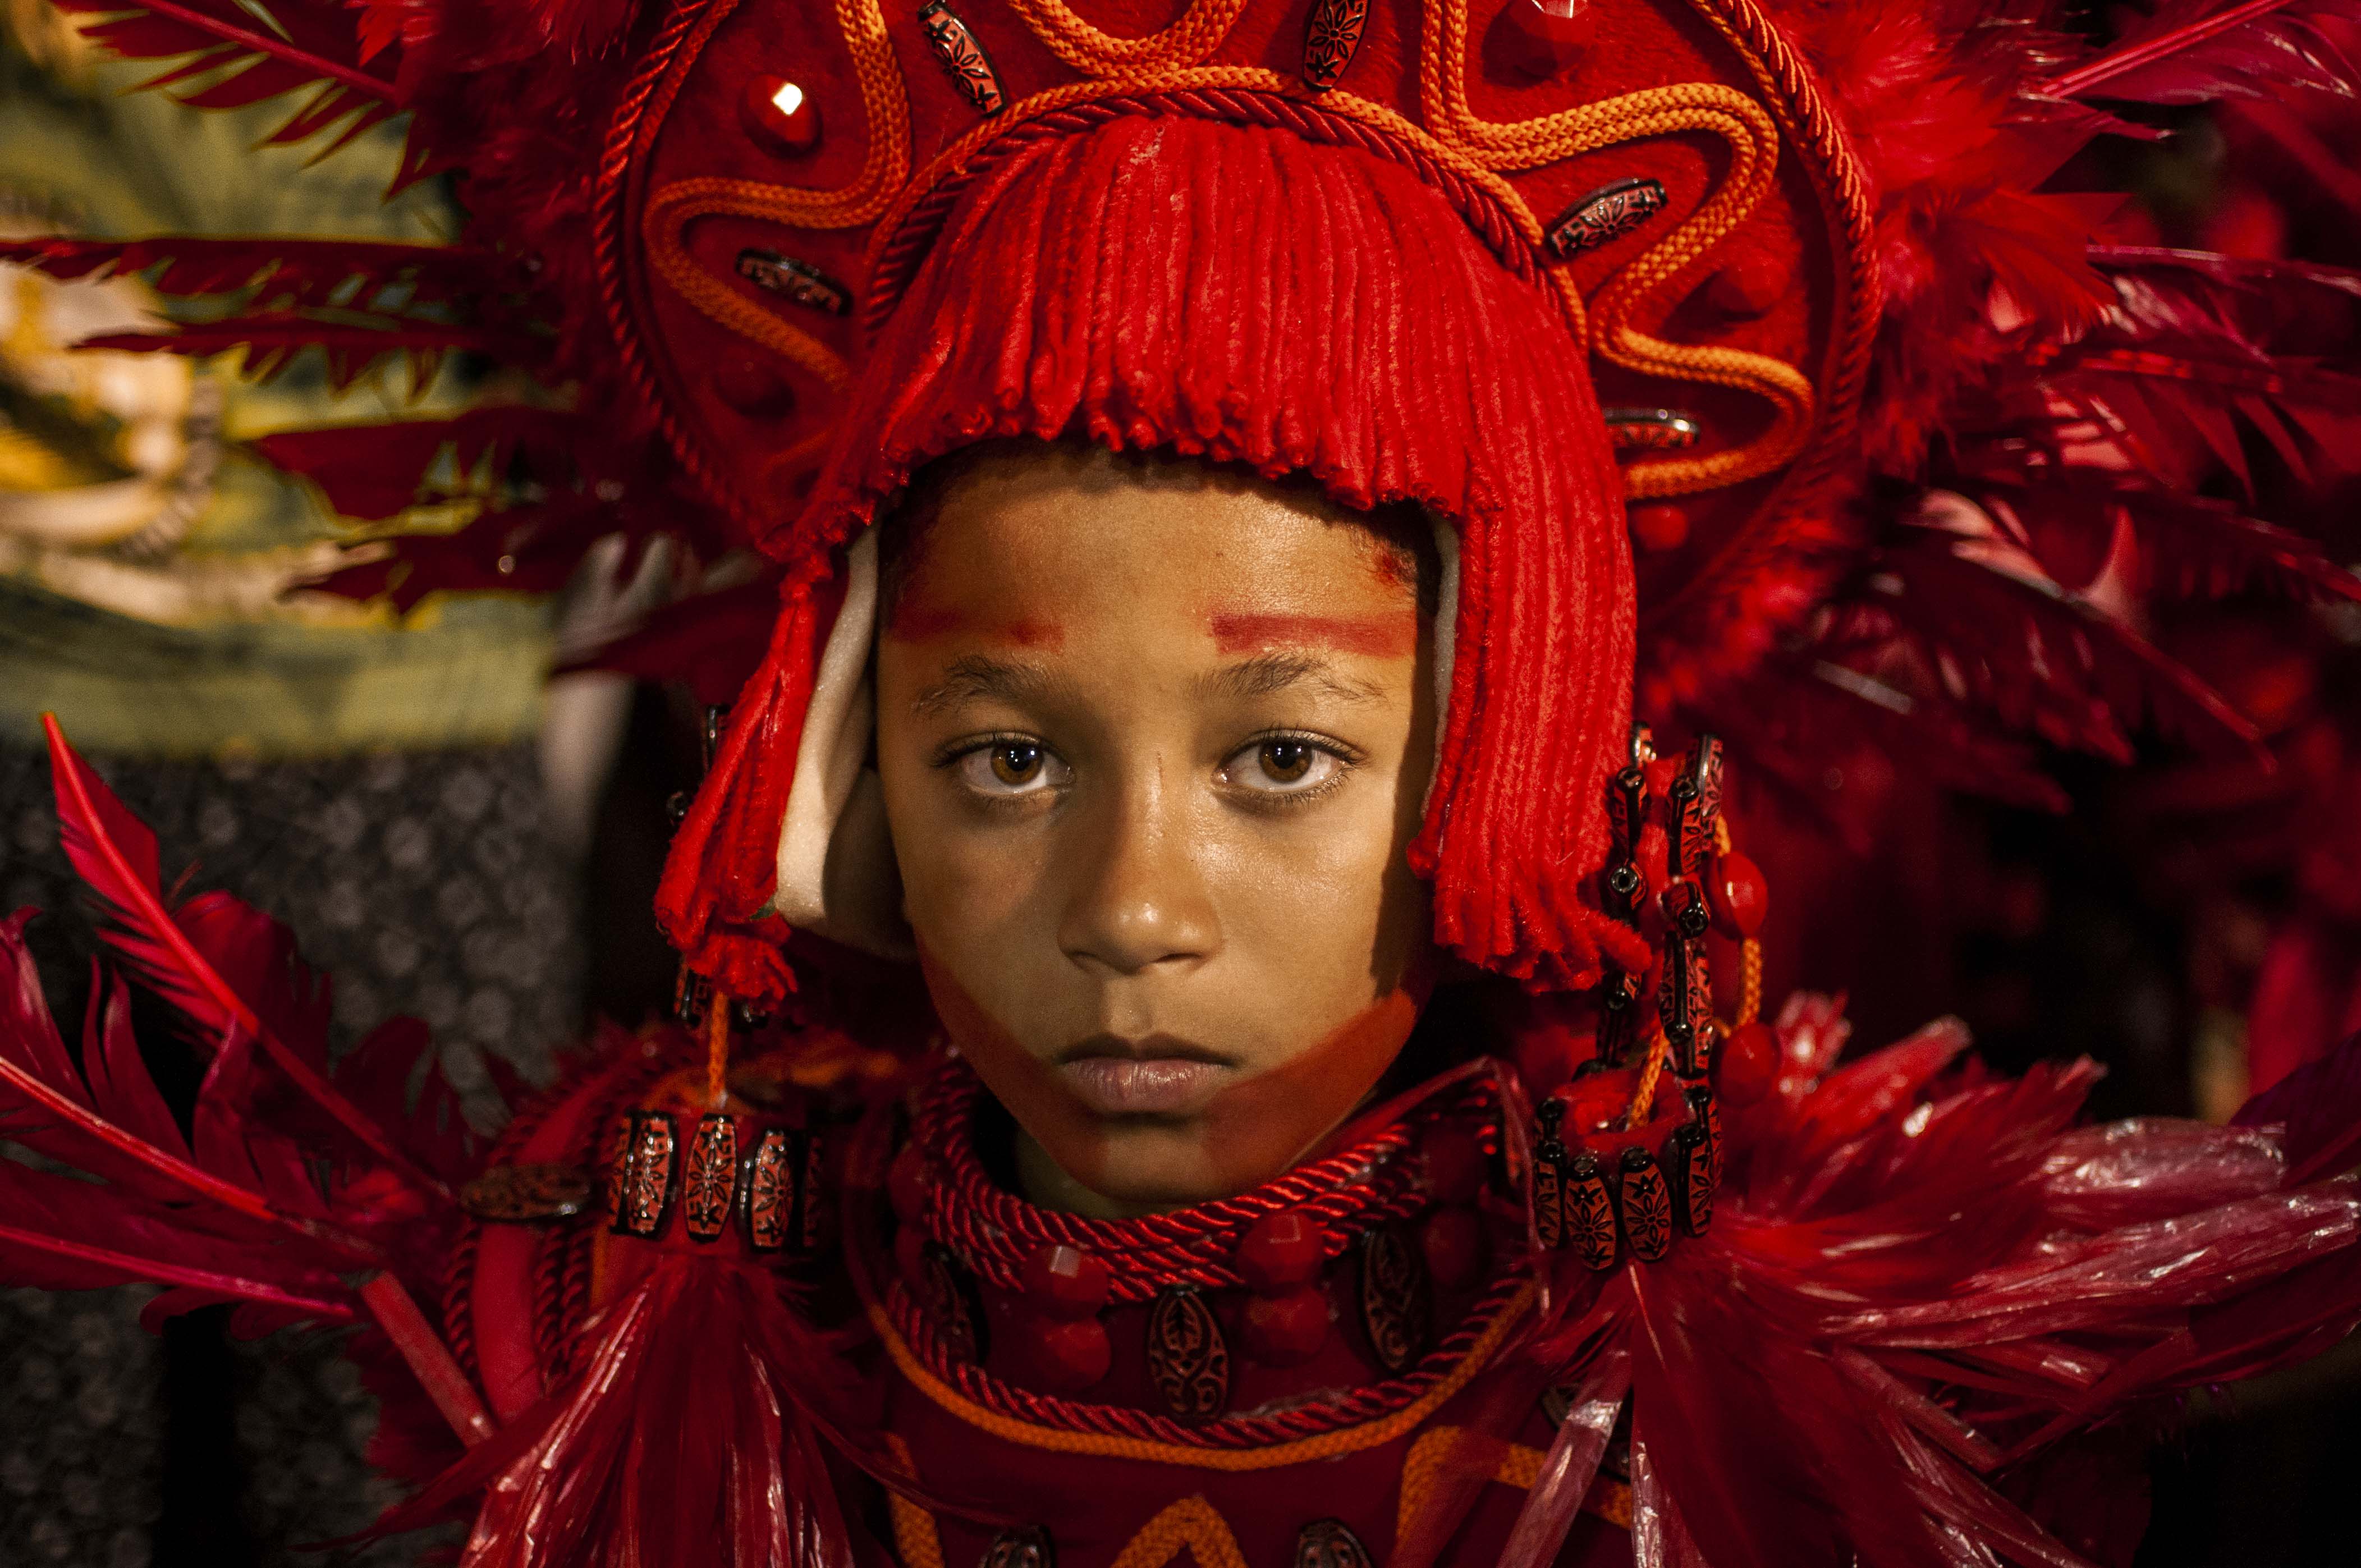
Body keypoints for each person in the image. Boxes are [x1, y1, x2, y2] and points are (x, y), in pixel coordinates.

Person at [6, 0, 2361, 1564]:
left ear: (1520, 753)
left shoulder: (1765, 1406)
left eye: (1280, 758)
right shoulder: (629, 1326)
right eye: (1007, 756)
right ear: (836, 762)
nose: (1132, 902)